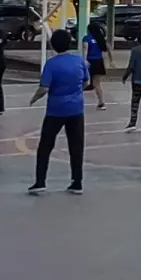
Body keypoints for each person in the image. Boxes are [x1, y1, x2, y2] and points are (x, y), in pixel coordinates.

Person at [28, 29, 90, 195]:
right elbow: (86, 81)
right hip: (76, 108)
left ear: (53, 45)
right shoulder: (79, 60)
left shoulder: (51, 64)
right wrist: (75, 92)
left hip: (56, 110)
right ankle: (77, 182)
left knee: (46, 145)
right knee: (76, 145)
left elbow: (44, 88)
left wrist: (34, 98)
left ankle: (40, 182)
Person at [82, 23, 113, 110]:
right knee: (97, 84)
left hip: (90, 61)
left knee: (83, 81)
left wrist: (84, 61)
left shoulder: (86, 38)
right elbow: (109, 49)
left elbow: (85, 49)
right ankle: (101, 102)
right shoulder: (100, 39)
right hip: (99, 61)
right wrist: (111, 61)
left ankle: (75, 101)